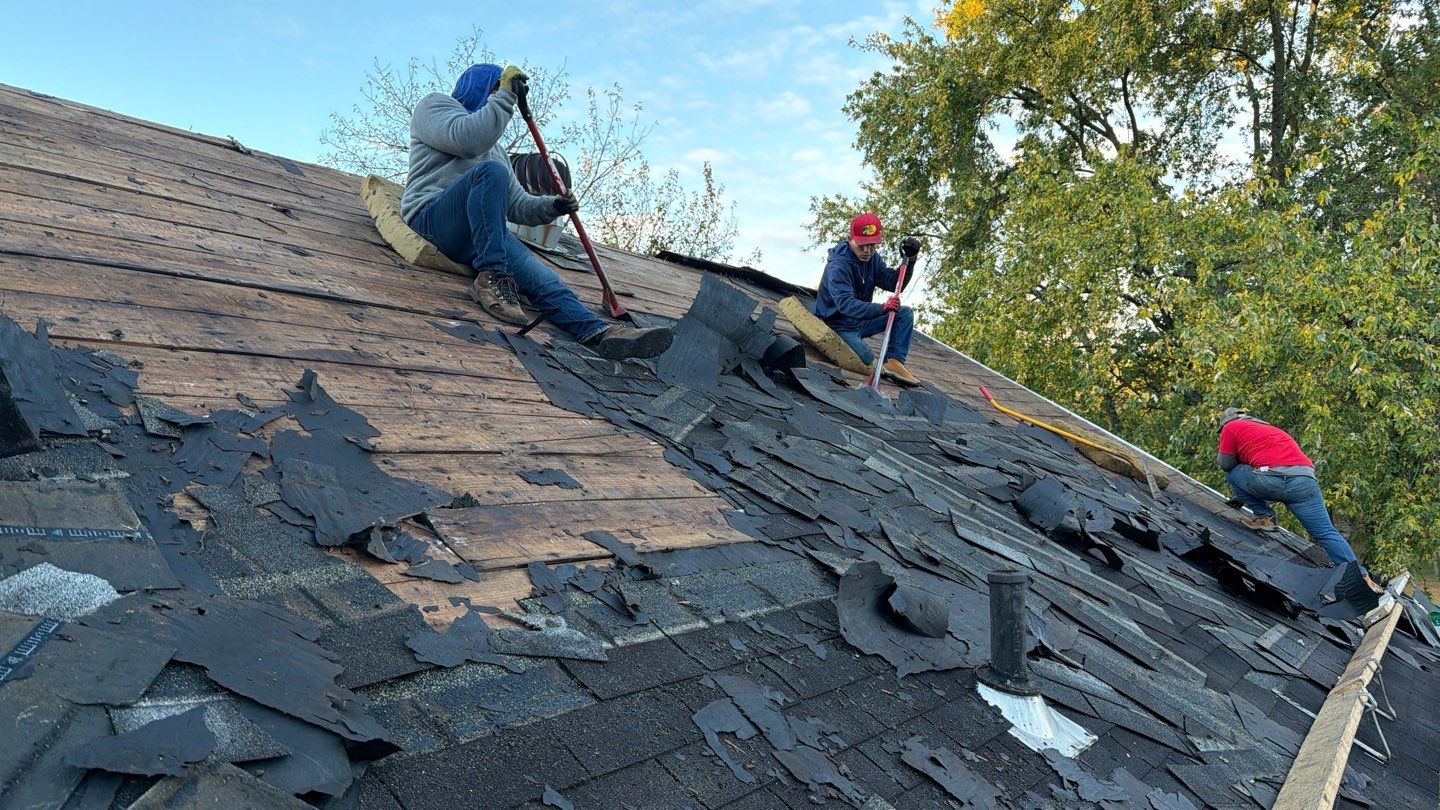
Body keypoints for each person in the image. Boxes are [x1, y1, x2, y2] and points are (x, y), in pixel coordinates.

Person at [401, 63, 672, 360]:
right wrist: (505, 95)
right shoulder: (435, 106)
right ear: (478, 87)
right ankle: (491, 277)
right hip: (432, 218)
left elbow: (517, 206)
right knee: (488, 172)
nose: (499, 101)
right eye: (494, 92)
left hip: (478, 233)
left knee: (544, 279)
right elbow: (467, 141)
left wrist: (553, 206)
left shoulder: (497, 152)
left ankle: (598, 332)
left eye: (502, 95)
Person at [1217, 408, 1375, 581]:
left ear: (1225, 423)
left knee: (1232, 473)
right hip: (1305, 481)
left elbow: (1226, 463)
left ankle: (1264, 516)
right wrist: (1240, 498)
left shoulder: (1230, 428)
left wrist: (1245, 492)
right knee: (1326, 532)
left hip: (1272, 479)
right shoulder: (1270, 430)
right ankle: (1360, 576)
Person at [813, 213, 921, 386]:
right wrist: (882, 308)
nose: (867, 251)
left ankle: (894, 362)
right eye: (862, 245)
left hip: (859, 322)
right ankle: (874, 362)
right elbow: (846, 304)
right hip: (837, 326)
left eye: (872, 245)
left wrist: (909, 260)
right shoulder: (838, 266)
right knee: (867, 358)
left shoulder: (872, 259)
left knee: (904, 313)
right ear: (850, 239)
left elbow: (892, 282)